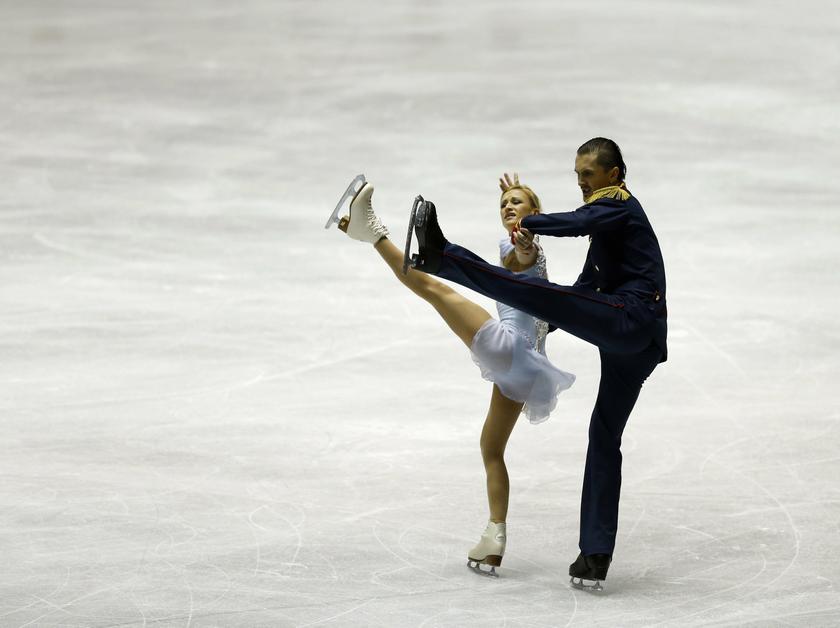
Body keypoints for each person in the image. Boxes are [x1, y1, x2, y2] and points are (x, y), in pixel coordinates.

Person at [406, 138, 667, 590]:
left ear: (615, 174)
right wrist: (547, 325)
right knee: (603, 435)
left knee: (525, 288)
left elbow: (578, 223)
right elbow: (588, 285)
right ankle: (594, 554)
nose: (582, 182)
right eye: (577, 175)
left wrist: (529, 220)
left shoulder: (619, 204)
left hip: (630, 320)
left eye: (588, 174)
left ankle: (439, 254)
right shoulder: (612, 225)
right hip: (636, 344)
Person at [330, 179, 575, 576]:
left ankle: (372, 231)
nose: (508, 206)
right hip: (527, 369)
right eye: (504, 203)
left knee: (431, 288)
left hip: (509, 346)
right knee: (491, 448)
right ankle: (494, 536)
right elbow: (521, 261)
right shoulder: (526, 248)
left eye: (517, 202)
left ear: (535, 210)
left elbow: (519, 257)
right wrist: (524, 244)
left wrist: (524, 245)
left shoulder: (521, 246)